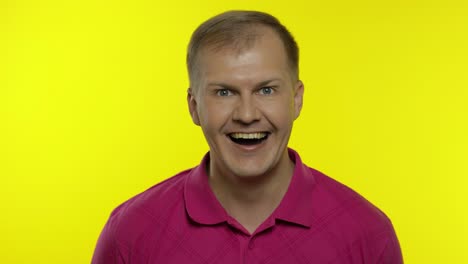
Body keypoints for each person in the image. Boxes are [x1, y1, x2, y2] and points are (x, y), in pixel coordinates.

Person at [92, 10, 403, 263]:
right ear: (194, 107)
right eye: (224, 92)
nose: (247, 113)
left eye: (266, 90)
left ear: (296, 100)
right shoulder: (131, 231)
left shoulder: (366, 232)